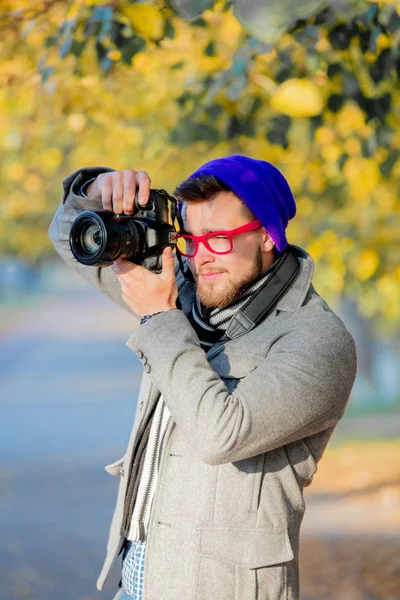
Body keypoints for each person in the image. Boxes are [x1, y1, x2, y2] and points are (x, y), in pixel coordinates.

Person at [49, 155, 357, 600]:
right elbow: (67, 235)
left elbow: (221, 434)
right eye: (189, 240)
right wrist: (99, 189)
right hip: (139, 578)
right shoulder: (186, 293)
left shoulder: (319, 341)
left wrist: (158, 315)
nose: (200, 258)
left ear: (268, 235)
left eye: (219, 239)